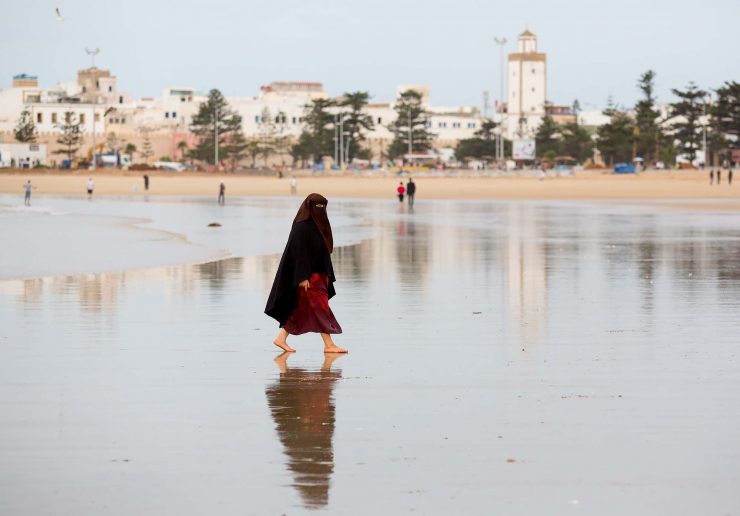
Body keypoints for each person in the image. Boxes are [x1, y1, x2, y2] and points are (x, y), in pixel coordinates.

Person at [265, 193, 346, 354]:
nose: (321, 210)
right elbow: (298, 252)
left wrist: (327, 276)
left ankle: (281, 338)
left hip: (320, 275)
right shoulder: (301, 226)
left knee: (301, 308)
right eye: (318, 207)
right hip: (309, 277)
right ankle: (329, 344)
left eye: (323, 207)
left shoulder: (319, 224)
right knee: (321, 308)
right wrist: (301, 277)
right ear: (310, 206)